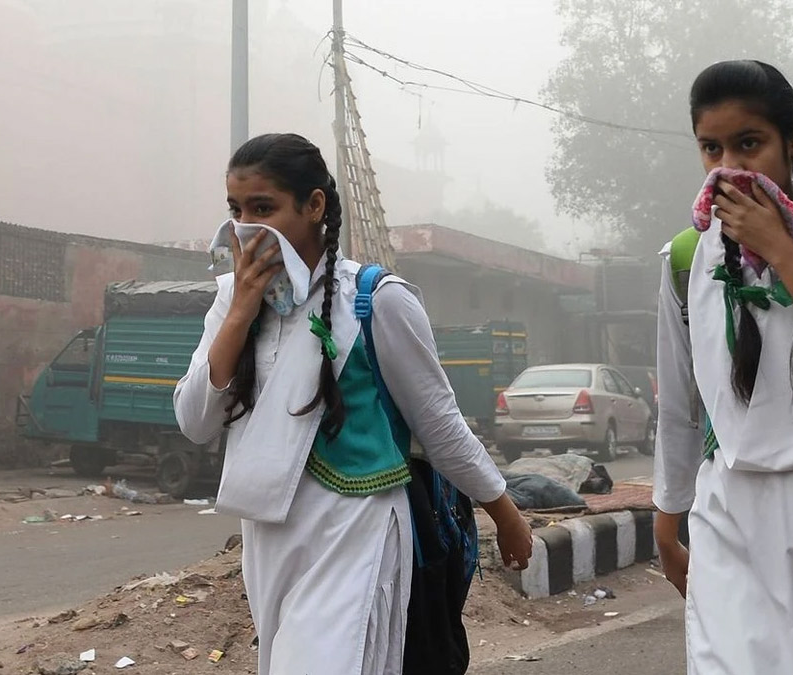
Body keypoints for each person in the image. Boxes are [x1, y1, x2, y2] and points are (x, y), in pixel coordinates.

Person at [174, 133, 532, 675]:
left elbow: (440, 426)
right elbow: (195, 421)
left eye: (263, 208)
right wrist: (241, 311)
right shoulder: (231, 300)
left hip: (356, 527)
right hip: (270, 536)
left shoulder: (377, 299)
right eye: (236, 209)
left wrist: (503, 513)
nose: (246, 227)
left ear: (314, 205)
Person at [654, 60, 793, 673]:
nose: (729, 165)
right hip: (727, 515)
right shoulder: (684, 260)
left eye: (748, 143)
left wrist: (783, 250)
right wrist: (667, 521)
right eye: (712, 148)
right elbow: (678, 407)